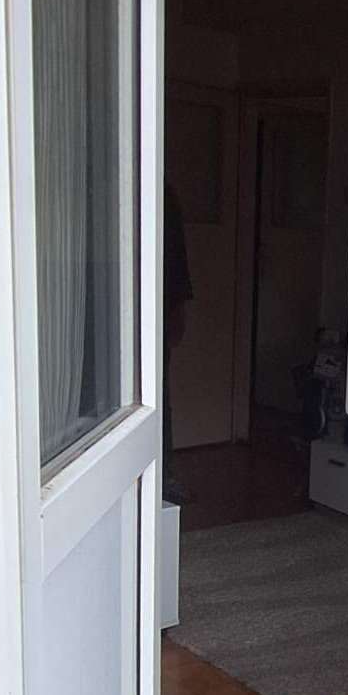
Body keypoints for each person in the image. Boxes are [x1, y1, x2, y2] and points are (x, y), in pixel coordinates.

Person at [163, 178, 192, 504]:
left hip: (160, 303)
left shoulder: (164, 194)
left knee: (159, 393)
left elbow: (177, 261)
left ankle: (164, 476)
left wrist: (178, 312)